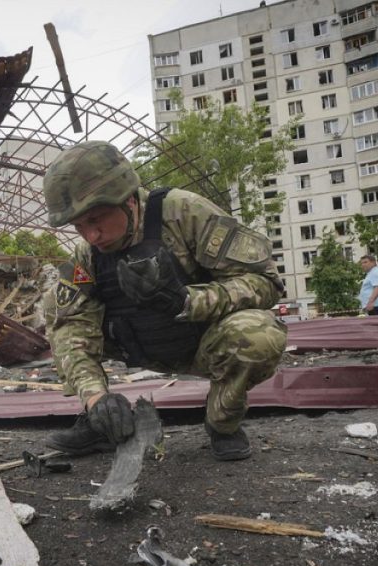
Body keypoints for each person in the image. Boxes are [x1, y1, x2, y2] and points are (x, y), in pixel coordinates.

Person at [41, 141, 288, 461]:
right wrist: (96, 397)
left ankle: (222, 423)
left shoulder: (184, 214)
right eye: (79, 226)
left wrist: (189, 301)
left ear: (128, 200)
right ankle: (100, 423)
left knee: (259, 334)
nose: (91, 236)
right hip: (134, 345)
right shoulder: (86, 256)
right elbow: (69, 325)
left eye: (97, 219)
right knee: (59, 312)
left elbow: (266, 282)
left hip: (202, 343)